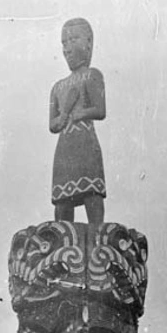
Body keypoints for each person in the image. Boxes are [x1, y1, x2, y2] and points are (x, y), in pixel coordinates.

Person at [49, 18, 106, 230]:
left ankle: (98, 235)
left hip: (85, 144)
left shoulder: (92, 76)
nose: (67, 48)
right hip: (65, 149)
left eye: (73, 39)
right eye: (64, 43)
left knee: (92, 194)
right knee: (63, 203)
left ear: (88, 43)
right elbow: (53, 125)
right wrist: (62, 117)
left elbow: (100, 110)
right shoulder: (58, 87)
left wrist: (79, 113)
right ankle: (64, 239)